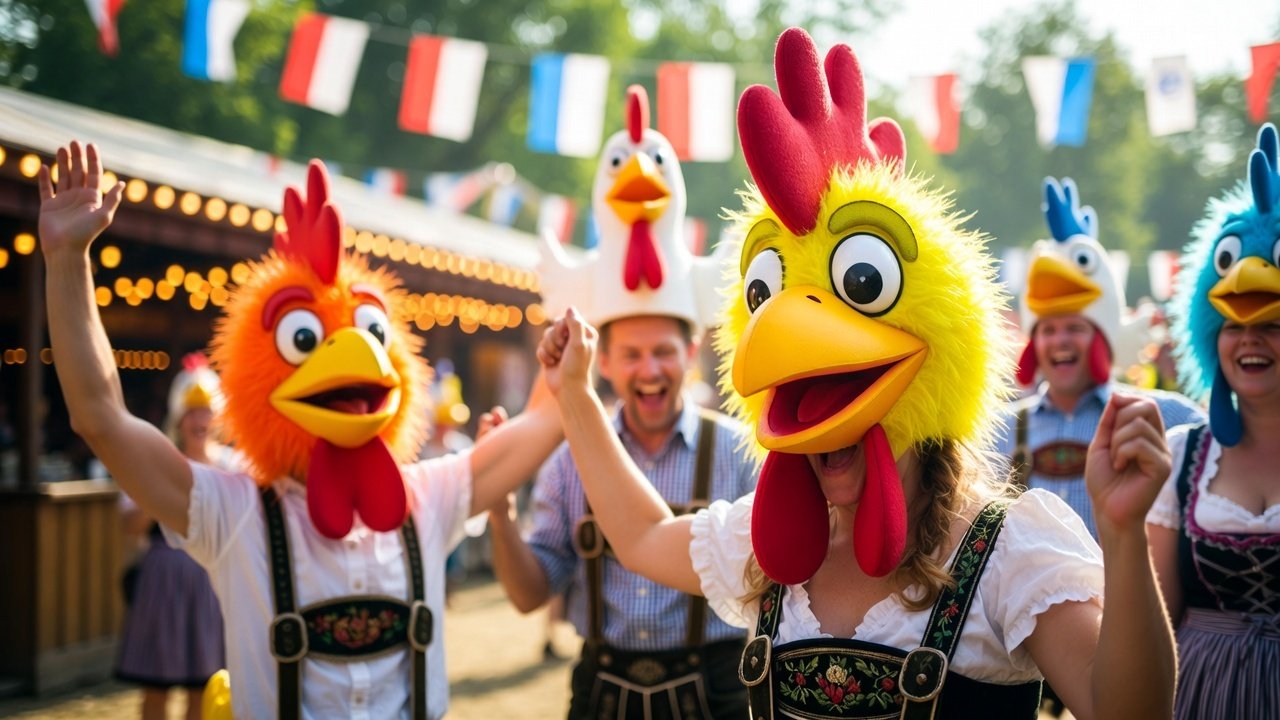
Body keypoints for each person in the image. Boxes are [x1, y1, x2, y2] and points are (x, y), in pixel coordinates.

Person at [532, 28, 1177, 720]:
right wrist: (575, 395)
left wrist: (1123, 537)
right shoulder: (768, 548)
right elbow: (642, 538)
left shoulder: (1007, 548)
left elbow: (1127, 712)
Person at [38, 141, 562, 719]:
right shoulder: (230, 513)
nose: (354, 355)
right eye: (304, 340)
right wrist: (67, 261)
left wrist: (571, 345)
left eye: (370, 333)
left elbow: (548, 417)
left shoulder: (427, 500)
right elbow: (100, 416)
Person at [487, 84, 758, 719]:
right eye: (630, 354)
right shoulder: (568, 456)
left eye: (663, 350)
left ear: (691, 354)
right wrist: (497, 513)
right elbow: (531, 597)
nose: (649, 369)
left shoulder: (739, 448)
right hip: (601, 691)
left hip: (717, 690)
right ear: (602, 363)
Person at [1147, 122, 1280, 719]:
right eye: (1234, 324)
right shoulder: (1181, 457)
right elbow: (1156, 618)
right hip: (1196, 697)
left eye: (1272, 324)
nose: (1250, 341)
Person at [994, 176, 1203, 539]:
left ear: (1101, 337)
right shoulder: (996, 434)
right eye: (1047, 329)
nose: (1059, 341)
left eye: (1074, 327)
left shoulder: (1173, 420)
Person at [116, 354, 231, 720]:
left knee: (206, 685)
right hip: (163, 578)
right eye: (191, 412)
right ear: (178, 417)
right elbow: (129, 525)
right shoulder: (154, 460)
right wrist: (162, 485)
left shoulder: (233, 466)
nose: (199, 421)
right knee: (155, 686)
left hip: (212, 580)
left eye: (206, 412)